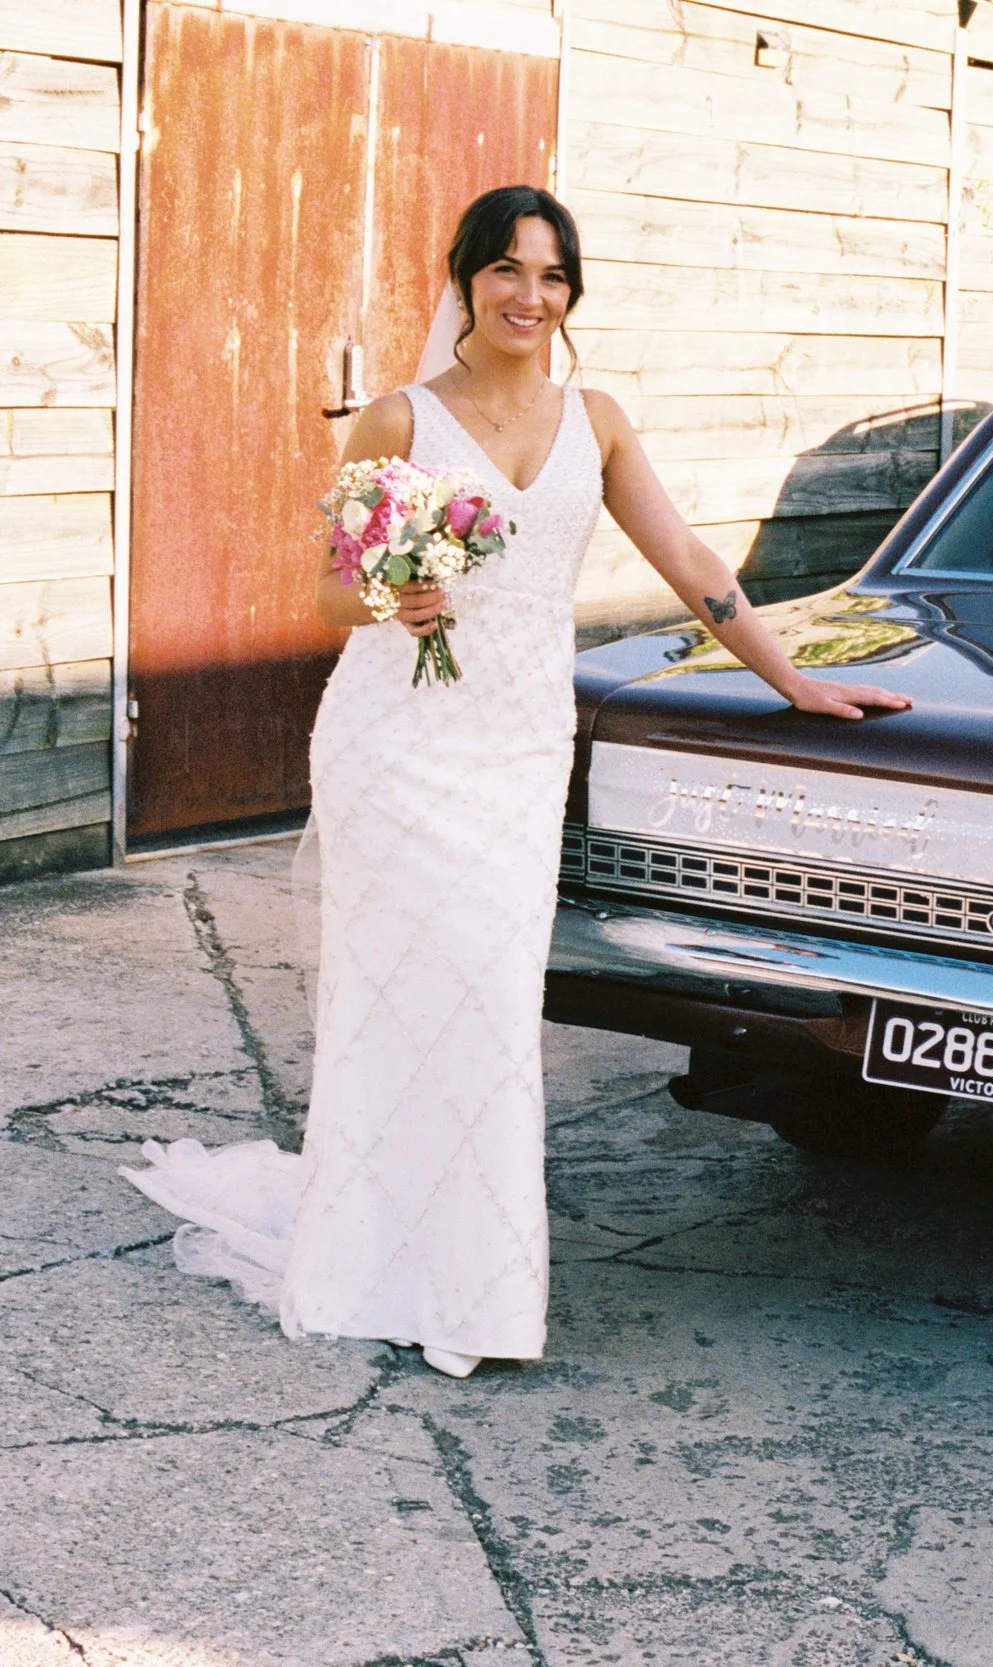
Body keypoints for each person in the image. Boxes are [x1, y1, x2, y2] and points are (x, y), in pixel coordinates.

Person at [122, 186, 911, 1379]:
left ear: (571, 293)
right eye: (504, 270)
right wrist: (400, 593)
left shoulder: (596, 420)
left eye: (550, 275)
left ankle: (477, 1289)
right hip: (395, 745)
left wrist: (795, 680)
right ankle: (367, 1261)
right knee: (394, 1002)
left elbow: (693, 560)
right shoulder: (395, 420)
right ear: (463, 281)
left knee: (489, 1007)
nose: (527, 295)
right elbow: (332, 593)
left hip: (517, 749)